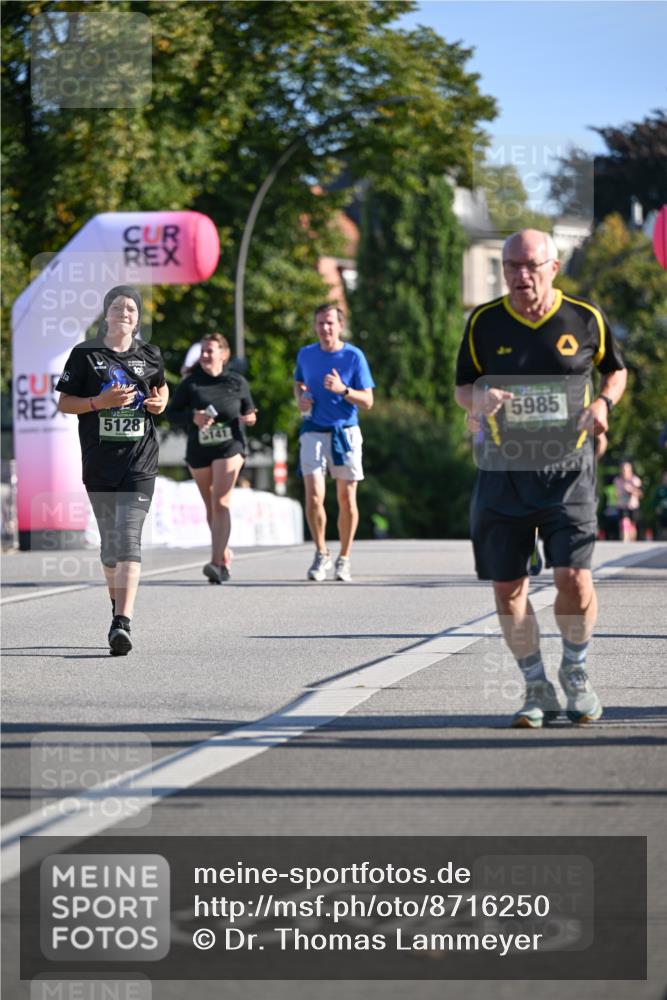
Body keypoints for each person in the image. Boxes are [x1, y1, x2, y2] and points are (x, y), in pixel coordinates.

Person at [454, 229, 627, 728]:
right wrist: (479, 398)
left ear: (553, 267)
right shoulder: (484, 323)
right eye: (510, 266)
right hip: (503, 471)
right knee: (509, 586)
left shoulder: (584, 318)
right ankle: (535, 684)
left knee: (572, 578)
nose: (519, 275)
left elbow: (615, 371)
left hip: (567, 469)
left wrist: (602, 403)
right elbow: (463, 387)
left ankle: (575, 670)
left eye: (529, 265)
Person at [56, 285, 169, 655]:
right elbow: (64, 403)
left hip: (140, 461)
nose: (125, 312)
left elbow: (161, 390)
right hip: (100, 463)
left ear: (138, 319)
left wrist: (158, 405)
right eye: (118, 307)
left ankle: (122, 623)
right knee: (110, 549)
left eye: (132, 309)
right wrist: (98, 402)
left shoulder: (149, 353)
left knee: (129, 539)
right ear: (106, 314)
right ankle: (117, 605)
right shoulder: (85, 355)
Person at [294, 303, 374, 582]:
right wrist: (301, 400)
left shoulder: (353, 357)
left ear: (340, 325)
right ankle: (320, 552)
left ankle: (345, 557)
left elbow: (368, 401)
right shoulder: (306, 354)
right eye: (320, 323)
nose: (325, 328)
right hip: (313, 430)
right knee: (314, 495)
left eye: (330, 323)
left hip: (345, 433)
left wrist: (344, 390)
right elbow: (299, 384)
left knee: (346, 497)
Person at [169, 332, 256, 583]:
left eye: (210, 350)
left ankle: (216, 563)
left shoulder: (237, 381)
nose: (205, 355)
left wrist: (250, 417)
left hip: (230, 445)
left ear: (224, 354)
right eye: (203, 351)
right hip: (199, 450)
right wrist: (192, 418)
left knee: (220, 501)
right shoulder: (191, 383)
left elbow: (249, 410)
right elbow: (171, 414)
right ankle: (224, 551)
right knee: (211, 507)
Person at [613, 460, 643, 541]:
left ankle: (632, 542)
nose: (624, 472)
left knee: (632, 526)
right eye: (623, 470)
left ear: (630, 470)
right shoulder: (617, 480)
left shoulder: (635, 480)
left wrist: (631, 490)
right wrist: (618, 494)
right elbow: (615, 493)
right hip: (622, 506)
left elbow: (640, 494)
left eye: (626, 470)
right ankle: (625, 541)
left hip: (633, 506)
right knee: (624, 522)